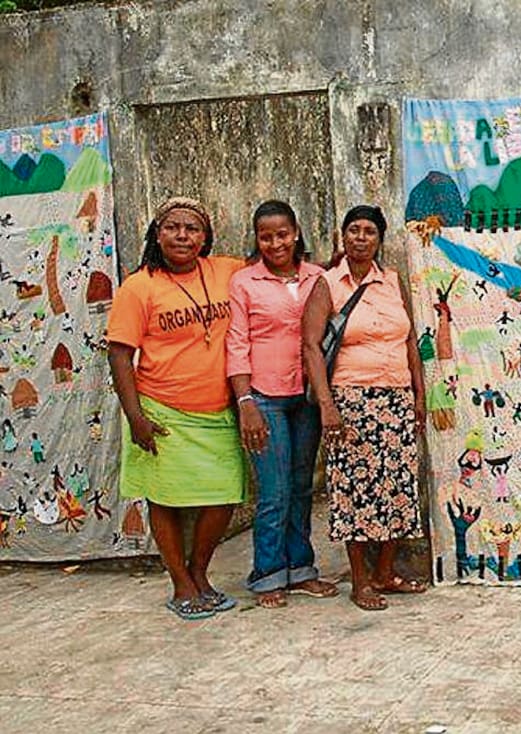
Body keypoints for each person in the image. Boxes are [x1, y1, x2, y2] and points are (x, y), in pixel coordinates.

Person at [106, 197, 246, 621]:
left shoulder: (227, 270)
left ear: (205, 237)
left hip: (217, 410)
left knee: (225, 494)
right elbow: (118, 355)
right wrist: (136, 418)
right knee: (164, 500)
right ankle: (181, 583)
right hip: (161, 409)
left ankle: (200, 573)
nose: (183, 236)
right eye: (173, 227)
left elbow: (277, 269)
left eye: (192, 229)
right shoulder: (139, 286)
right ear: (157, 233)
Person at [302, 205, 427, 611]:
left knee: (397, 487)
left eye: (369, 231)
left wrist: (419, 394)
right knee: (355, 489)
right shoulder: (327, 284)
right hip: (351, 400)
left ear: (379, 239)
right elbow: (311, 347)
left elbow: (409, 341)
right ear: (342, 236)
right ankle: (359, 581)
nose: (360, 237)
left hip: (396, 398)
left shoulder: (391, 281)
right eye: (353, 230)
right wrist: (327, 405)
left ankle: (385, 572)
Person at [227, 200, 338, 608]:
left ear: (296, 234)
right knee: (274, 491)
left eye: (282, 234)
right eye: (266, 236)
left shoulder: (318, 277)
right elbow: (236, 343)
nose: (275, 243)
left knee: (302, 486)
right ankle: (268, 574)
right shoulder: (244, 282)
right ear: (257, 239)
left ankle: (301, 569)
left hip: (307, 396)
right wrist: (245, 401)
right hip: (265, 396)